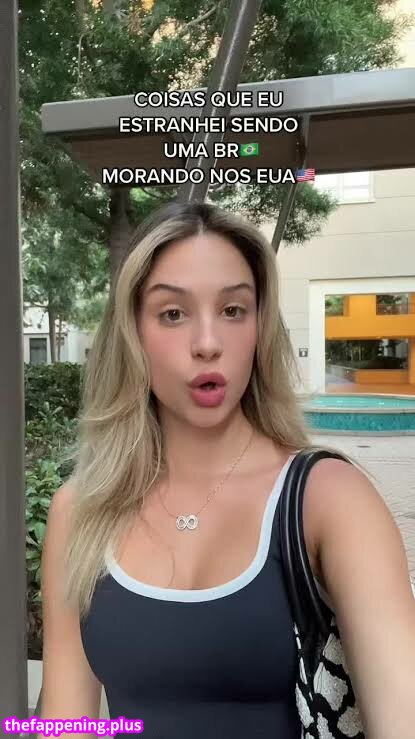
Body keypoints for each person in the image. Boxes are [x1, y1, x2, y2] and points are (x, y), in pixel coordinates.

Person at [39, 201, 415, 739]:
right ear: (132, 332)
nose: (208, 343)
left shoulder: (329, 499)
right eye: (173, 313)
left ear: (260, 327)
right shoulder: (80, 512)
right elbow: (64, 722)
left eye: (233, 310)